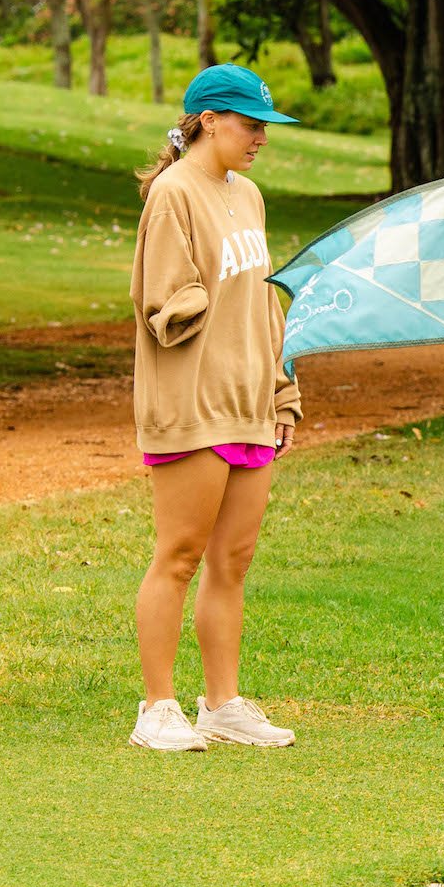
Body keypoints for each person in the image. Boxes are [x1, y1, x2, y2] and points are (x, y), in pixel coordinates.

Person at [126, 64, 303, 752]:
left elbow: (264, 298)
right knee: (179, 553)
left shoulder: (249, 196)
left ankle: (222, 704)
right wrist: (189, 302)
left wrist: (284, 392)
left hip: (251, 403)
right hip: (193, 405)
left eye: (264, 126)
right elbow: (162, 301)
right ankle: (157, 708)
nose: (260, 137)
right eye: (249, 123)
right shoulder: (173, 195)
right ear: (206, 121)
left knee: (234, 558)